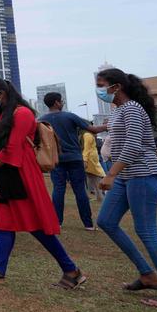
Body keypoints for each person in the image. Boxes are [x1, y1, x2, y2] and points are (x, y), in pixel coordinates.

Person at [0, 78, 86, 289]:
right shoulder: (1, 116)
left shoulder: (22, 114)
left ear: (1, 93)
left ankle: (71, 269)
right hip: (5, 173)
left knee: (33, 224)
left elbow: (13, 148)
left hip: (20, 174)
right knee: (4, 223)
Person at [93, 68, 157, 309]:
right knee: (107, 221)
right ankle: (147, 274)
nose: (99, 90)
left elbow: (132, 145)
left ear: (116, 87)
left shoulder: (132, 109)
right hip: (127, 176)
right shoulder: (121, 110)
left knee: (147, 232)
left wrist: (111, 173)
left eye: (102, 85)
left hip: (141, 175)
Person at [38, 92, 107, 231]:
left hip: (56, 159)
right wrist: (108, 126)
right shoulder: (69, 116)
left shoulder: (41, 120)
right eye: (61, 100)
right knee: (80, 190)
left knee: (58, 189)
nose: (62, 103)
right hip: (74, 157)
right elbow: (92, 129)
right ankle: (88, 224)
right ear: (57, 102)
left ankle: (57, 222)